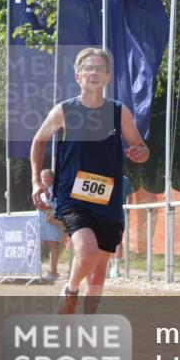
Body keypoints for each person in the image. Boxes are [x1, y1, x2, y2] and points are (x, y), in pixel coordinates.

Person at [30, 48, 150, 314]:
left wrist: (140, 152)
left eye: (99, 68)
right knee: (86, 251)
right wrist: (36, 182)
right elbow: (38, 141)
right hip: (73, 198)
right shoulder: (64, 111)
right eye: (87, 68)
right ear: (78, 76)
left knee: (97, 277)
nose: (93, 72)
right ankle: (71, 290)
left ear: (107, 77)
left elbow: (141, 149)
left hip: (108, 199)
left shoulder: (119, 113)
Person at [37, 169, 64, 283]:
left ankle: (54, 272)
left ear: (52, 178)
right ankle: (39, 270)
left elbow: (57, 204)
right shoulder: (41, 191)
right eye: (43, 177)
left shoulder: (57, 190)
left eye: (47, 177)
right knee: (40, 244)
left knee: (53, 244)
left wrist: (46, 207)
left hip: (53, 221)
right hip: (42, 220)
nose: (45, 179)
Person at [109, 174, 132, 278]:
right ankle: (109, 267)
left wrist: (127, 211)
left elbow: (129, 197)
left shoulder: (124, 179)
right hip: (106, 214)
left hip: (119, 215)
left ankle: (115, 267)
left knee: (117, 241)